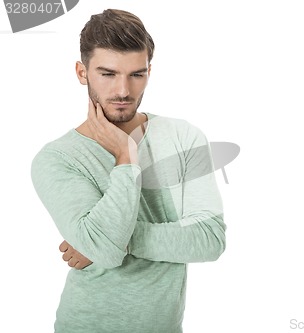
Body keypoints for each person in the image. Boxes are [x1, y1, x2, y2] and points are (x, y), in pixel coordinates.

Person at [31, 8, 226, 333]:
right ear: (82, 73)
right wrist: (126, 155)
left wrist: (102, 240)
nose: (123, 90)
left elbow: (209, 240)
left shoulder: (183, 137)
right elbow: (104, 250)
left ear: (149, 71)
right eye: (108, 74)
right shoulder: (57, 158)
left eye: (136, 74)